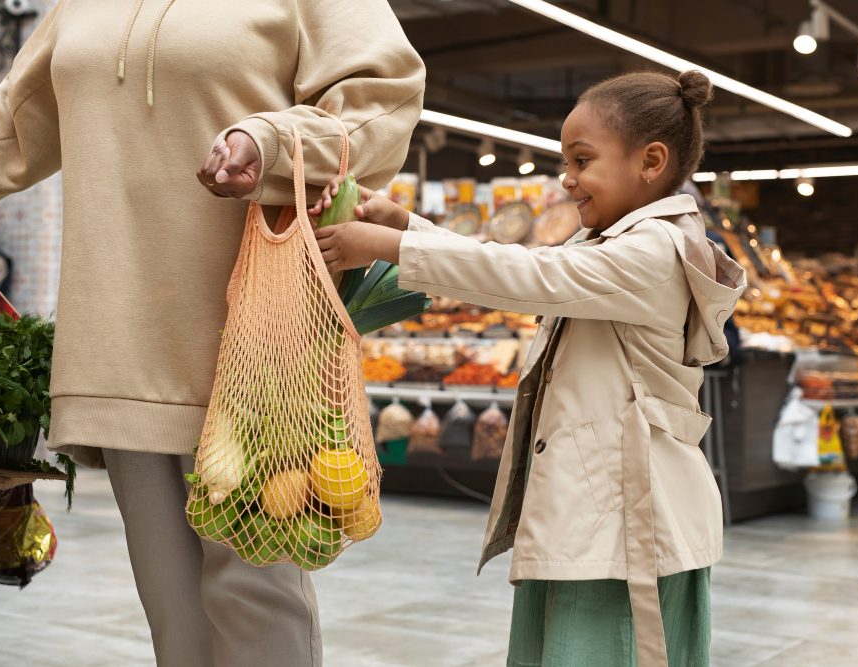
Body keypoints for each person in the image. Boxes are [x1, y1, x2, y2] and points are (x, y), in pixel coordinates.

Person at [0, 1, 424, 665]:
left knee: (256, 603)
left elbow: (383, 99)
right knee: (173, 615)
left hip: (253, 344)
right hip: (116, 343)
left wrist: (273, 143)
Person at [312, 70, 746, 667]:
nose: (567, 178)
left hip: (628, 527)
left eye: (582, 160)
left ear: (651, 161)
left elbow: (530, 276)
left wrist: (390, 246)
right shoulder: (613, 244)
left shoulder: (656, 252)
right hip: (592, 514)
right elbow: (517, 263)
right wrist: (406, 225)